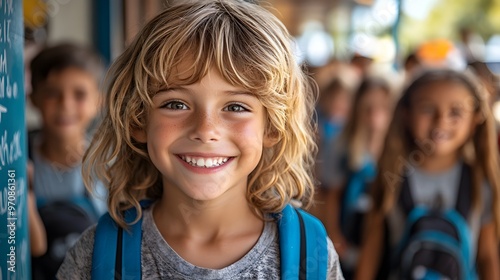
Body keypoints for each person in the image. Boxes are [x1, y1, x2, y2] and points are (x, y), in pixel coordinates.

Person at [57, 1, 344, 279]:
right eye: (176, 104)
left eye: (235, 107)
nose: (206, 130)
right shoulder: (97, 256)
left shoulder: (312, 256)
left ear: (272, 128)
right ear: (138, 120)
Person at [355, 68, 500, 279]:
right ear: (406, 114)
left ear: (476, 119)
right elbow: (371, 249)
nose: (441, 120)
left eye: (456, 112)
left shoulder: (480, 181)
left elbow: (487, 255)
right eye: (427, 109)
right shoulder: (390, 178)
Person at [28, 42, 107, 279]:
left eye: (80, 94)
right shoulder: (16, 162)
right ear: (34, 98)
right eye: (52, 93)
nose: (66, 105)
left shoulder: (111, 165)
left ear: (98, 101)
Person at [318, 77, 393, 278]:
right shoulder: (341, 146)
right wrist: (334, 237)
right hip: (348, 237)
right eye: (368, 108)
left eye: (382, 108)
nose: (375, 116)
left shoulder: (396, 151)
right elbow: (330, 195)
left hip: (384, 247)